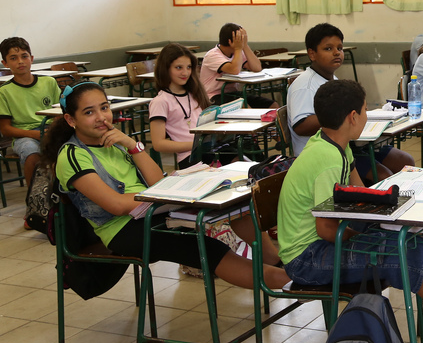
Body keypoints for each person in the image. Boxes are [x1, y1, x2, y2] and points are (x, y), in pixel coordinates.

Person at [276, 79, 423, 342]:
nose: (367, 116)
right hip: (307, 258)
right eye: (365, 110)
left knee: (400, 233)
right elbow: (326, 229)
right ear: (353, 117)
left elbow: (360, 194)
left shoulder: (334, 144)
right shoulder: (327, 159)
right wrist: (366, 239)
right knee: (394, 250)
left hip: (321, 244)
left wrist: (395, 207)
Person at [44, 81, 288, 290]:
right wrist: (160, 195)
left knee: (235, 207)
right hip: (124, 230)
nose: (101, 117)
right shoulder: (72, 155)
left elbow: (156, 182)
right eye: (89, 112)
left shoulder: (115, 142)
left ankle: (276, 261)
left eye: (104, 108)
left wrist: (133, 145)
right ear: (70, 119)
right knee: (205, 248)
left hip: (155, 211)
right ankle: (288, 281)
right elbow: (115, 205)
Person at [286, 23, 413, 183]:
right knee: (383, 176)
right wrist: (341, 115)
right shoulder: (305, 85)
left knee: (404, 161)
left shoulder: (332, 79)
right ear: (312, 54)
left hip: (348, 145)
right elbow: (300, 126)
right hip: (323, 152)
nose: (336, 53)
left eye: (339, 48)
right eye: (328, 48)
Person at [0, 37, 60, 191]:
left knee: (76, 145)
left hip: (52, 130)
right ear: (5, 63)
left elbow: (61, 113)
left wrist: (52, 131)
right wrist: (34, 134)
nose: (20, 62)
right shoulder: (4, 91)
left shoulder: (49, 82)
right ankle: (35, 197)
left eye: (24, 56)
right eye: (13, 58)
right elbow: (5, 129)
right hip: (24, 135)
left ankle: (68, 194)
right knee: (31, 152)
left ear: (31, 58)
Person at [148, 43, 212, 169]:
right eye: (178, 68)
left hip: (209, 149)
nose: (185, 72)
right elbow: (158, 144)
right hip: (190, 157)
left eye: (189, 67)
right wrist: (196, 144)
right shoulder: (160, 101)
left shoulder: (195, 93)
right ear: (165, 69)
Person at [199, 23, 276, 108]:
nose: (242, 41)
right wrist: (238, 48)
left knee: (272, 105)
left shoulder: (237, 52)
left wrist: (245, 45)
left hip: (232, 93)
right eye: (241, 39)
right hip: (213, 96)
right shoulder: (212, 55)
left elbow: (257, 68)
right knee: (245, 107)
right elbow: (234, 70)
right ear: (230, 41)